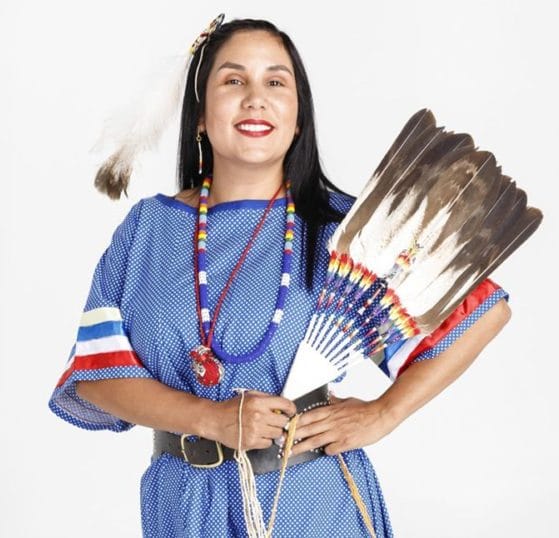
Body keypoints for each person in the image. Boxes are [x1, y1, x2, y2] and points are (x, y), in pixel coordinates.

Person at [50, 17, 512, 537]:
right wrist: (209, 418)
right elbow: (94, 377)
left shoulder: (344, 232)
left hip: (310, 501)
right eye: (232, 80)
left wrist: (384, 413)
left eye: (275, 82)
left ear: (297, 118)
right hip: (181, 504)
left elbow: (482, 312)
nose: (255, 98)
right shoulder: (148, 230)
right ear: (199, 115)